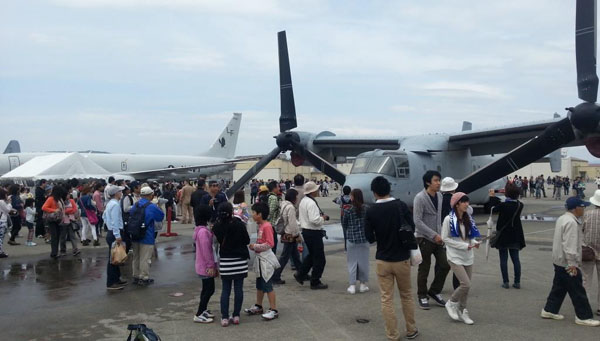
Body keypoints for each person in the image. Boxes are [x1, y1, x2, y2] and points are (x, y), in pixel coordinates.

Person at [365, 176, 418, 340]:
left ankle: (392, 334)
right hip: (401, 259)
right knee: (407, 295)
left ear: (374, 192)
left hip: (383, 259)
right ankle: (411, 329)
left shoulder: (371, 210)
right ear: (389, 189)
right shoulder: (401, 206)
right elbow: (412, 226)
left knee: (386, 299)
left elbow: (369, 237)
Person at [541, 197, 600, 326]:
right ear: (576, 208)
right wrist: (572, 263)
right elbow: (570, 245)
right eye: (583, 206)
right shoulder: (572, 223)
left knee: (559, 287)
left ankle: (549, 309)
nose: (584, 209)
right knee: (578, 290)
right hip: (568, 263)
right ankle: (583, 316)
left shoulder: (563, 218)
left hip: (559, 260)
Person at [442, 192, 481, 325]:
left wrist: (474, 242)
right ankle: (451, 302)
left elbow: (471, 236)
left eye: (467, 202)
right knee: (466, 284)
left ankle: (463, 310)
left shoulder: (468, 218)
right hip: (454, 256)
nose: (466, 204)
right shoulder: (448, 219)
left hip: (468, 256)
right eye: (464, 202)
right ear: (456, 204)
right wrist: (464, 245)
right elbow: (445, 239)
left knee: (466, 287)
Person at [413, 170, 449, 309]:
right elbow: (417, 221)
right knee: (424, 268)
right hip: (424, 239)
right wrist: (434, 235)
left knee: (445, 264)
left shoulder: (439, 196)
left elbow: (438, 217)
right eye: (436, 180)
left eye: (439, 180)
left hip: (438, 238)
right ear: (428, 182)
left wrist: (441, 234)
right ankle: (422, 295)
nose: (438, 183)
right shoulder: (420, 197)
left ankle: (434, 291)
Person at [213, 202, 250, 327]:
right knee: (238, 289)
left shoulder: (216, 226)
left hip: (226, 261)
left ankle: (224, 317)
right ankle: (236, 315)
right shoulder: (239, 224)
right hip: (239, 261)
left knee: (226, 290)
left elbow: (217, 241)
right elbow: (247, 240)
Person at [245, 202, 280, 321]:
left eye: (254, 213)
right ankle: (258, 305)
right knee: (259, 284)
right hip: (260, 259)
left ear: (259, 214)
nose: (252, 215)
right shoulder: (261, 226)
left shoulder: (267, 226)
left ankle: (273, 309)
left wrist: (255, 246)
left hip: (266, 259)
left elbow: (270, 243)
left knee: (267, 285)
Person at [294, 181, 330, 290]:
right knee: (320, 259)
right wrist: (323, 218)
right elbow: (314, 220)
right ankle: (315, 281)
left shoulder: (304, 201)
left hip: (306, 231)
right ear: (313, 191)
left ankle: (301, 273)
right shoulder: (311, 203)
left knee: (312, 256)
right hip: (313, 232)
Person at [489, 183, 525, 289]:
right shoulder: (520, 205)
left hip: (503, 235)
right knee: (516, 259)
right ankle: (517, 282)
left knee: (503, 259)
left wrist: (492, 197)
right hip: (515, 234)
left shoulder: (503, 205)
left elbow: (492, 209)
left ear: (507, 193)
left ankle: (505, 282)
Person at [129, 186, 165, 286]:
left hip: (135, 233)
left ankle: (135, 276)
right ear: (150, 195)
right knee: (145, 258)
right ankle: (144, 277)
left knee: (136, 257)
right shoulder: (151, 206)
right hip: (147, 235)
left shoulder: (135, 205)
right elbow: (160, 216)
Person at [271, 189, 302, 285]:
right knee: (284, 257)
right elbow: (293, 223)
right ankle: (275, 276)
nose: (297, 198)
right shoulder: (291, 207)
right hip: (290, 234)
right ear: (293, 198)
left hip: (286, 233)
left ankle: (302, 273)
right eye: (296, 196)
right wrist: (297, 234)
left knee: (295, 255)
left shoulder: (284, 205)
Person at [342, 188, 370, 294]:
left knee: (352, 263)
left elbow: (344, 224)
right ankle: (363, 285)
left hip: (352, 239)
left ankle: (352, 285)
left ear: (353, 197)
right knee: (363, 262)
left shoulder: (348, 210)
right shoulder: (366, 209)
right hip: (364, 239)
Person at [193, 204, 217, 324]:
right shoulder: (203, 232)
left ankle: (203, 310)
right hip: (205, 267)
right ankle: (199, 313)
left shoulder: (201, 230)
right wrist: (210, 266)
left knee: (207, 289)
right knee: (209, 290)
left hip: (203, 266)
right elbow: (206, 251)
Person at [103, 185, 127, 290]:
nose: (121, 193)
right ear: (116, 193)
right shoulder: (115, 205)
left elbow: (104, 216)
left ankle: (117, 279)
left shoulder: (110, 204)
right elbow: (115, 221)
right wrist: (117, 235)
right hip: (114, 232)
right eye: (120, 191)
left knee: (115, 256)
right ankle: (111, 282)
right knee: (113, 259)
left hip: (111, 231)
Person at [583, 190, 600, 316]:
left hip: (588, 252)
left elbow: (581, 230)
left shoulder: (587, 214)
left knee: (586, 279)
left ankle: (585, 305)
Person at [42, 185, 66, 259]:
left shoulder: (58, 199)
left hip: (57, 219)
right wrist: (54, 210)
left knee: (57, 236)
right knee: (55, 236)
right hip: (52, 219)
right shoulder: (51, 199)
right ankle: (54, 253)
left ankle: (55, 252)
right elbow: (44, 207)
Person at [266, 180, 282, 253]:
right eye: (278, 187)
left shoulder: (268, 196)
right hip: (271, 225)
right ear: (274, 188)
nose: (279, 188)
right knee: (273, 244)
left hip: (268, 224)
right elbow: (271, 211)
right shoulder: (274, 198)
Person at [0, 189, 15, 258]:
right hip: (2, 220)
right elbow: (7, 210)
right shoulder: (1, 201)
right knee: (1, 237)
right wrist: (9, 203)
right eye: (6, 194)